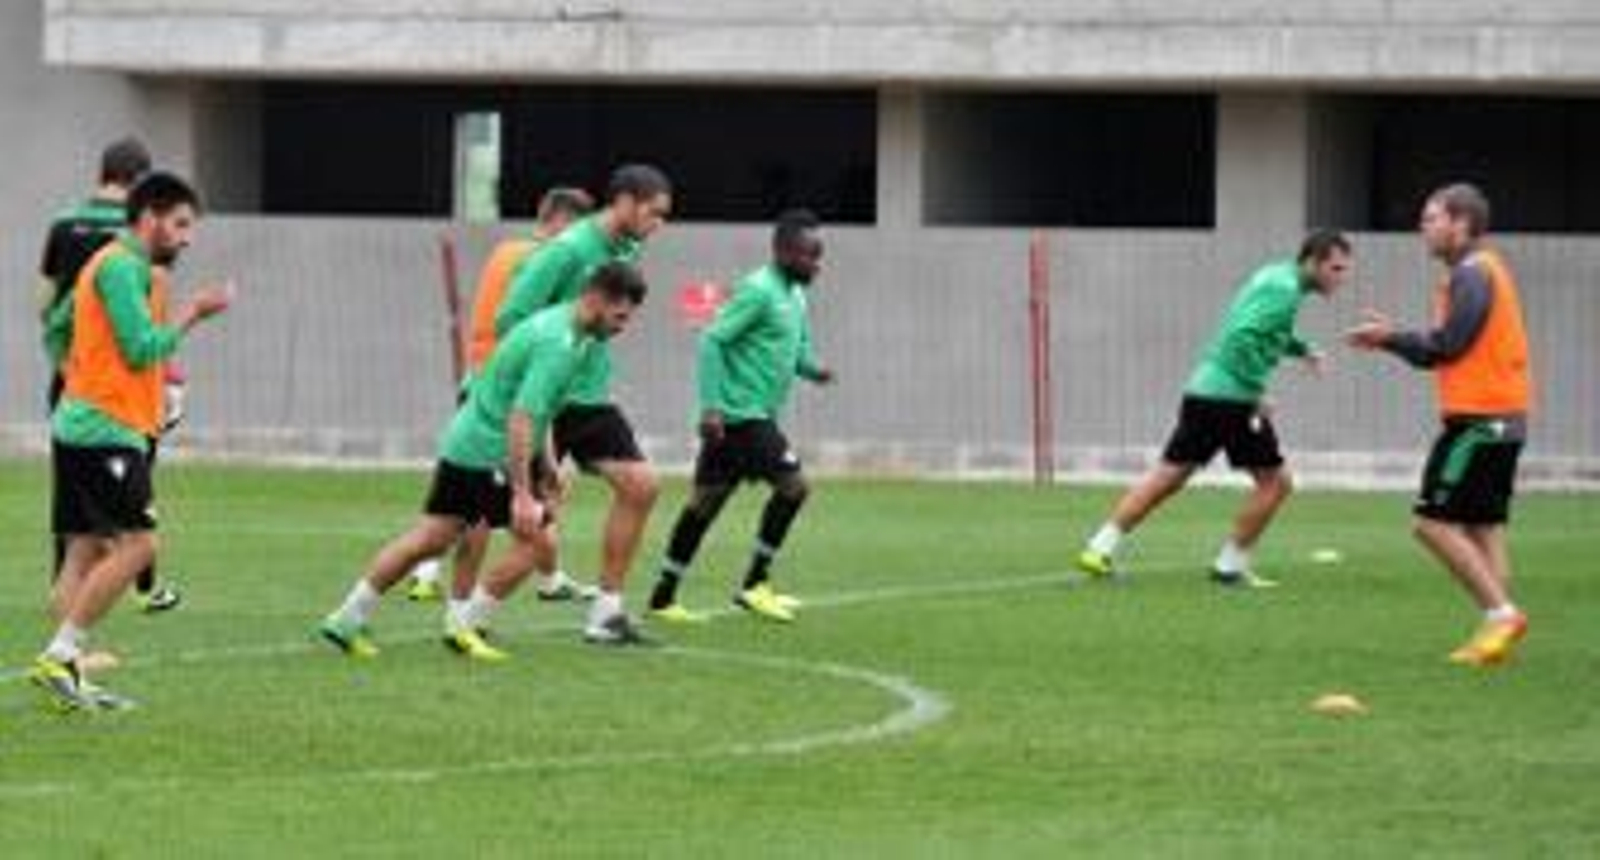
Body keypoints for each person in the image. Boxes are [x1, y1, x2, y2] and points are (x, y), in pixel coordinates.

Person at [319, 262, 652, 660]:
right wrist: (523, 494)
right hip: (484, 451)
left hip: (469, 441)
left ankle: (347, 618)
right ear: (596, 299)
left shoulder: (574, 334)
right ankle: (466, 623)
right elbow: (521, 417)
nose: (623, 326)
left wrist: (546, 464)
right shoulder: (558, 342)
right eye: (619, 316)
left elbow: (543, 408)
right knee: (537, 541)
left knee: (432, 539)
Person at [30, 171, 233, 711]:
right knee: (141, 545)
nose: (188, 237)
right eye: (181, 224)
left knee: (84, 550)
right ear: (150, 218)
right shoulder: (121, 267)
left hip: (83, 422)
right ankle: (62, 653)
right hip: (104, 430)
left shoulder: (118, 265)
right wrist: (195, 312)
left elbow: (58, 323)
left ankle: (64, 677)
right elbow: (143, 348)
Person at [1075, 230, 1352, 587]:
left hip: (1204, 391)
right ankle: (1229, 567)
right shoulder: (1285, 291)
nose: (1341, 278)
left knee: (1169, 476)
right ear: (1312, 262)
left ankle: (1098, 548)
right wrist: (1255, 392)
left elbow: (1264, 331)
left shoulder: (1276, 276)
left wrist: (1302, 349)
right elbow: (1242, 338)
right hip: (1230, 400)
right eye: (1336, 268)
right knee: (1275, 483)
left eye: (1344, 270)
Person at [1345, 183, 1532, 667]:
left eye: (1432, 218)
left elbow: (1446, 346)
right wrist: (1396, 336)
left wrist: (1388, 338)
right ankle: (1498, 633)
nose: (1422, 227)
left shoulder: (1472, 274)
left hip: (1478, 423)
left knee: (1431, 524)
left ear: (1461, 224)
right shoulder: (1481, 272)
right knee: (1482, 526)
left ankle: (1501, 615)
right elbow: (1448, 343)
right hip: (1502, 420)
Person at [494, 164, 672, 644]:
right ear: (626, 202)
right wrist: (534, 380)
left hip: (589, 398)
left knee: (641, 486)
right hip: (546, 398)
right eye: (654, 214)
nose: (659, 226)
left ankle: (606, 614)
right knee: (498, 525)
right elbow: (511, 318)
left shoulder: (627, 249)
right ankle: (455, 611)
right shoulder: (568, 250)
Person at [406, 186, 597, 607]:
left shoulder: (505, 250)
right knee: (493, 499)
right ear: (565, 222)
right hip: (506, 389)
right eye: (582, 230)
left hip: (483, 382)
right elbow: (537, 322)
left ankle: (548, 576)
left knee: (482, 495)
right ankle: (445, 586)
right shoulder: (541, 260)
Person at [647, 209, 834, 624]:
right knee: (794, 488)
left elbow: (796, 352)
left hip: (750, 416)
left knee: (705, 504)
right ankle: (754, 584)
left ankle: (663, 596)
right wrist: (711, 405)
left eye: (820, 256)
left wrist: (815, 370)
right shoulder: (758, 290)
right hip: (739, 417)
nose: (817, 264)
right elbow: (713, 340)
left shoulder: (796, 296)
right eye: (810, 255)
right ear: (783, 252)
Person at [37, 136, 182, 613]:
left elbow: (48, 307)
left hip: (75, 382)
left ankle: (69, 619)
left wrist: (68, 365)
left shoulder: (64, 223)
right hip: (119, 395)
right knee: (133, 521)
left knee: (81, 526)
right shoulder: (136, 242)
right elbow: (146, 334)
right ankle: (138, 587)